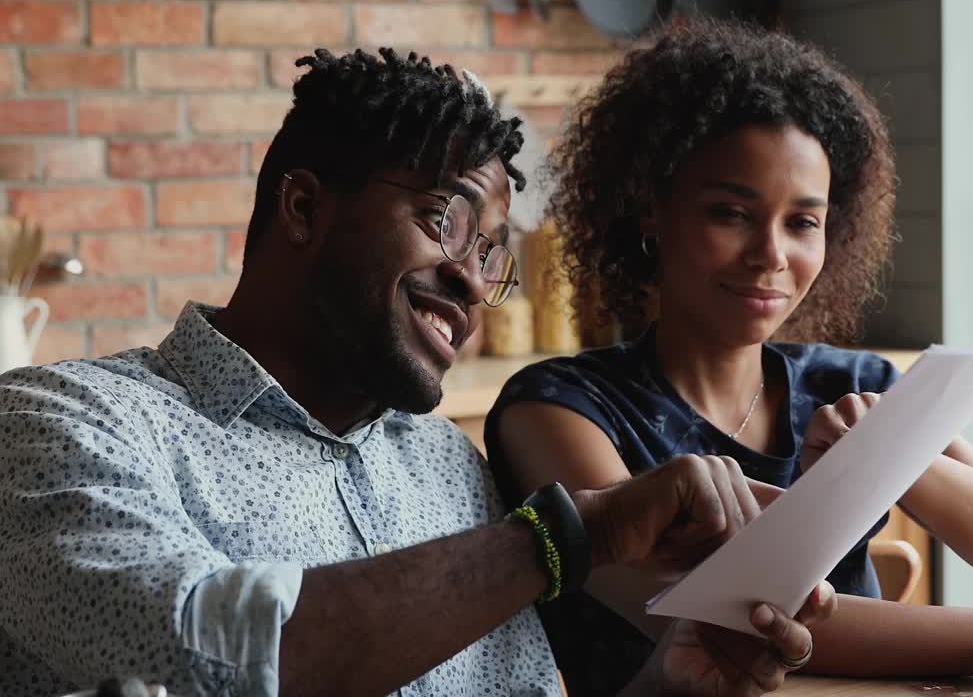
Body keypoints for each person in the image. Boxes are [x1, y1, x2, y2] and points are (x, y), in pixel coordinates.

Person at [0, 47, 837, 697]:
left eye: (491, 254)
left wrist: (668, 688)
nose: (474, 280)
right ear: (303, 208)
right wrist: (573, 536)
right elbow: (222, 660)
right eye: (444, 220)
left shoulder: (444, 465)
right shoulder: (61, 424)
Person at [484, 20, 973, 693]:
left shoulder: (852, 383)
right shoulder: (556, 407)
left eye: (804, 221)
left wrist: (893, 459)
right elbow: (710, 612)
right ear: (649, 215)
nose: (772, 255)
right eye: (731, 212)